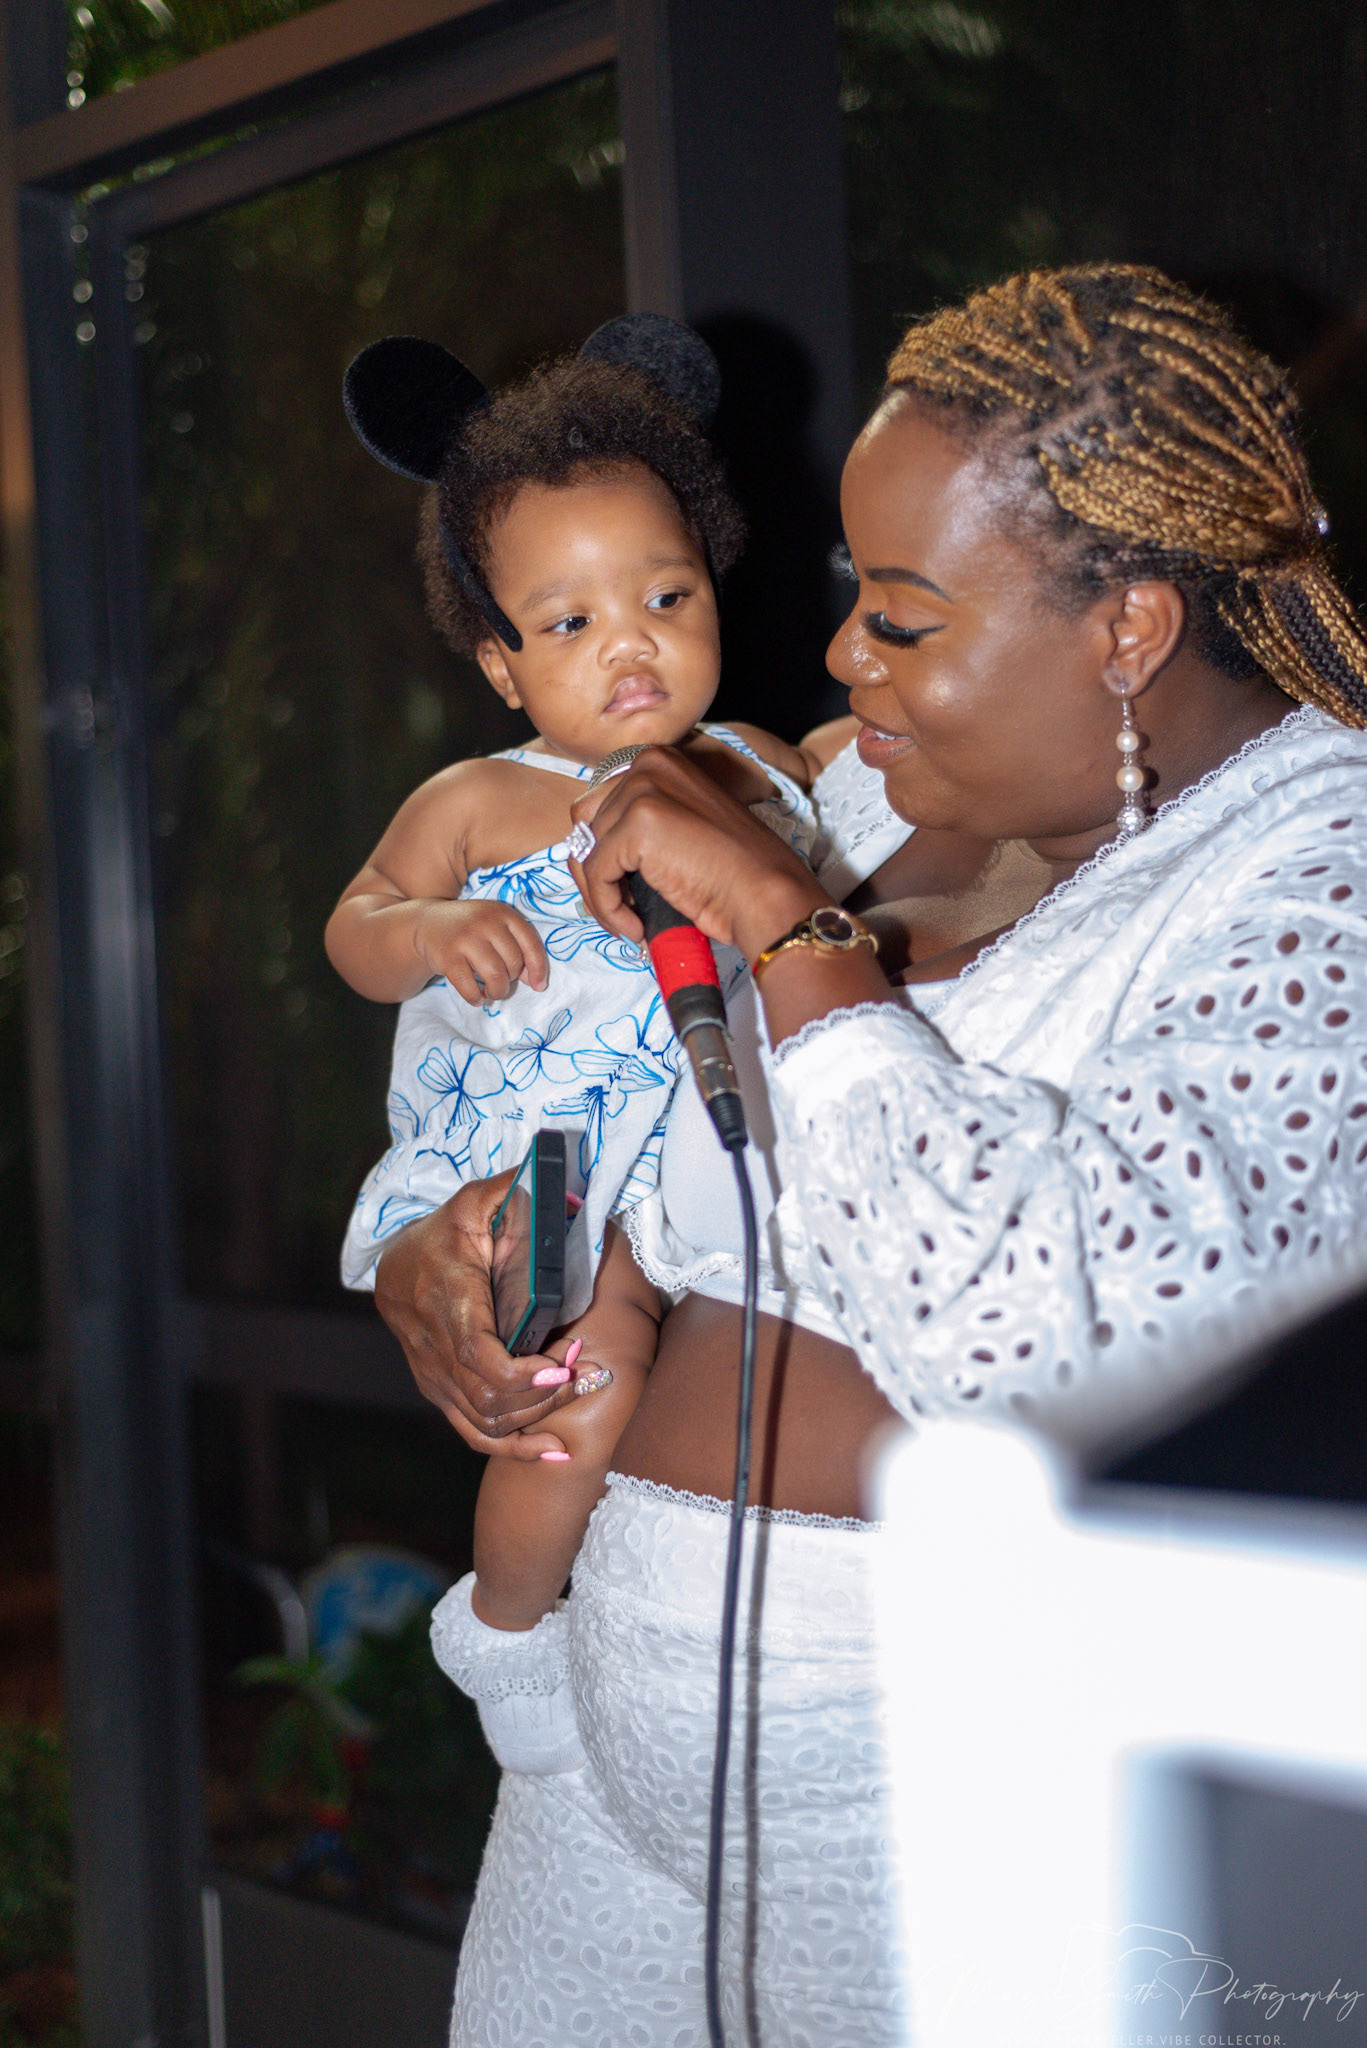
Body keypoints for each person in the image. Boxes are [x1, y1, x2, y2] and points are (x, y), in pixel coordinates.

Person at [383, 264, 1367, 2045]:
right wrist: (438, 1255)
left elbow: (1044, 1342)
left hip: (947, 1781)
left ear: (1129, 629)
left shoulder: (1319, 872)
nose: (842, 655)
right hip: (600, 1746)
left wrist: (790, 930)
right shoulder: (846, 797)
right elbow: (606, 1102)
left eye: (903, 619)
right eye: (854, 594)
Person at [327, 319, 832, 1699]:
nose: (632, 646)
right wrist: (431, 927)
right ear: (502, 666)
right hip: (550, 1162)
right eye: (570, 624)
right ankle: (504, 1643)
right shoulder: (481, 799)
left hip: (717, 1157)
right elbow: (355, 929)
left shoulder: (756, 765)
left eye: (667, 597)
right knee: (574, 1395)